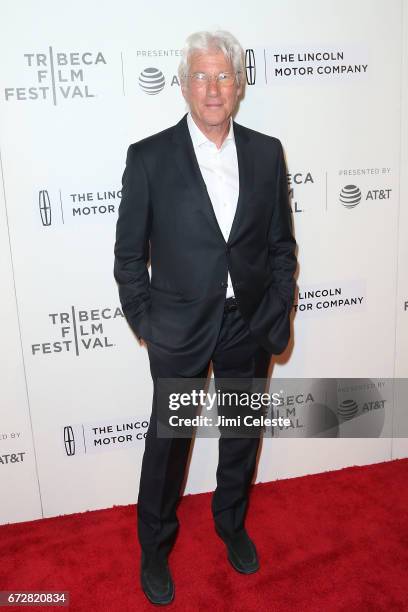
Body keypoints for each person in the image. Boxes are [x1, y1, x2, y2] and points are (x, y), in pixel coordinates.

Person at [114, 30, 297, 606]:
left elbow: (280, 246)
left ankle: (231, 522)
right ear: (183, 85)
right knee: (169, 444)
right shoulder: (149, 157)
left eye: (223, 76)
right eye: (201, 75)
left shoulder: (267, 153)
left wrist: (277, 301)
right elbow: (127, 257)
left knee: (241, 434)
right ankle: (155, 546)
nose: (213, 88)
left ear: (239, 85)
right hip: (179, 328)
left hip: (249, 322)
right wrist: (149, 323)